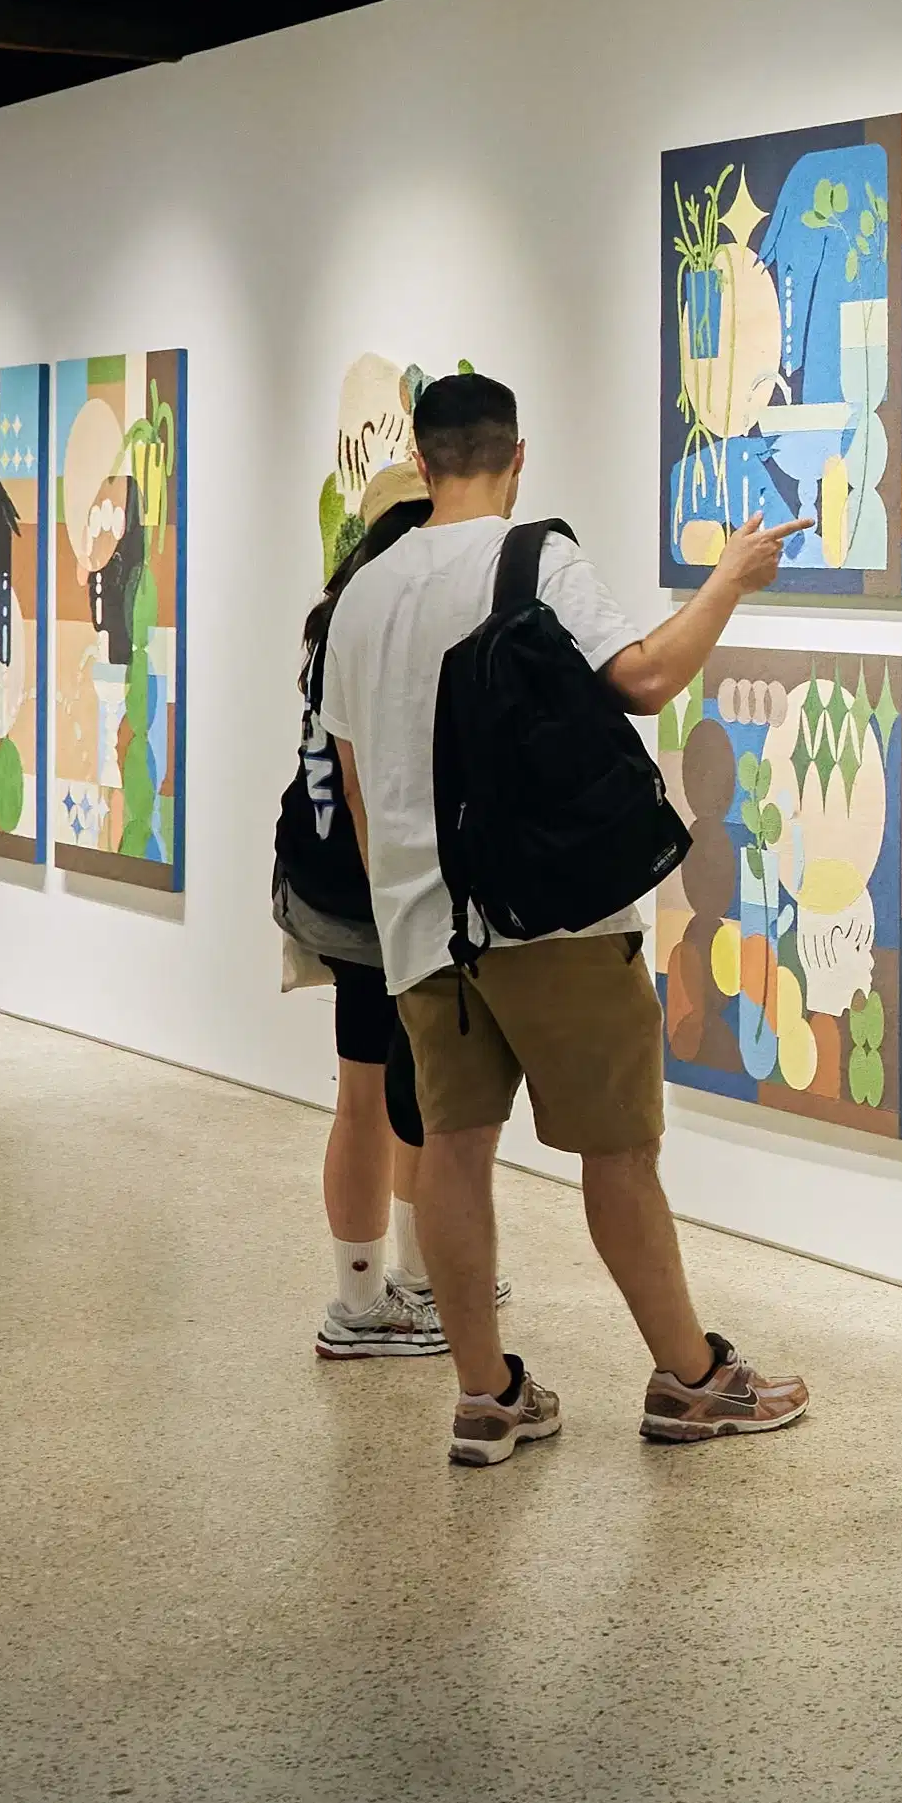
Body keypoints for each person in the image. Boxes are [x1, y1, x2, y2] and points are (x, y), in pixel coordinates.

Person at [319, 372, 809, 1463]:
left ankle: (487, 1396)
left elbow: (354, 779)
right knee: (618, 1152)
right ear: (517, 453)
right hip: (554, 922)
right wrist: (729, 579)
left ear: (421, 451)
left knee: (451, 1149)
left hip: (419, 926)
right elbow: (644, 680)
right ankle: (690, 1380)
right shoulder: (533, 558)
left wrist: (406, 901)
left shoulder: (361, 590)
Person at [283, 464, 465, 1360]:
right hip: (370, 895)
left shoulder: (337, 611)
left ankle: (416, 1275)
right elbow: (372, 788)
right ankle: (364, 1302)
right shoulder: (404, 615)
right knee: (390, 1093)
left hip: (318, 880)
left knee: (389, 1089)